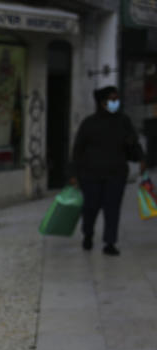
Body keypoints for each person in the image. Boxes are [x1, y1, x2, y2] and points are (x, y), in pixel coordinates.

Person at [70, 86, 145, 256]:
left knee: (113, 209)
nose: (115, 103)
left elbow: (133, 144)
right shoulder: (89, 123)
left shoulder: (123, 121)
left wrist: (141, 158)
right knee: (91, 208)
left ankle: (110, 242)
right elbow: (77, 150)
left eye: (116, 99)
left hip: (116, 173)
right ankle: (87, 234)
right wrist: (74, 174)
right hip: (90, 174)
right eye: (111, 99)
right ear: (102, 102)